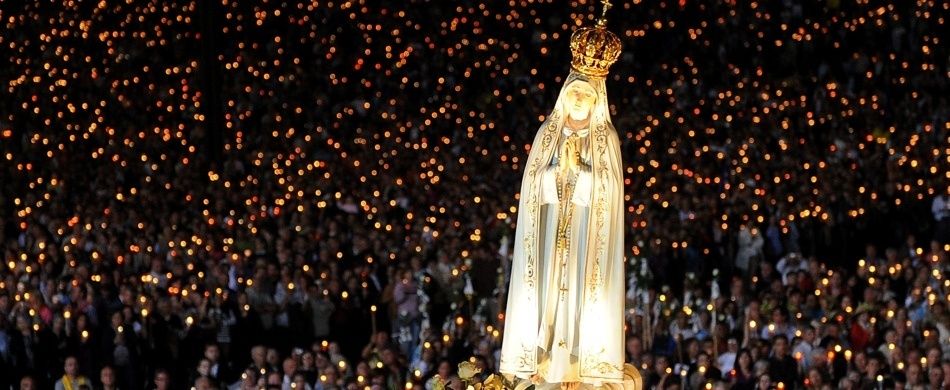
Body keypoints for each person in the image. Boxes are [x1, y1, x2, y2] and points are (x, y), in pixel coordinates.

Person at [500, 7, 625, 388]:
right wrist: (558, 172)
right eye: (574, 94)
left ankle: (577, 359)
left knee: (579, 297)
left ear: (596, 99)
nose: (578, 101)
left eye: (586, 96)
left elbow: (611, 193)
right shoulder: (548, 134)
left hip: (587, 238)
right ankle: (541, 355)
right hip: (550, 232)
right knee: (548, 292)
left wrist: (582, 174)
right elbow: (532, 183)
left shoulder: (606, 140)